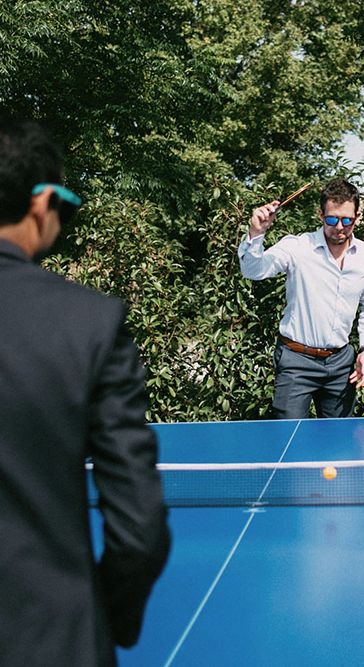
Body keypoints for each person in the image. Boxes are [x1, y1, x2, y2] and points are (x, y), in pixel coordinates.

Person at [0, 119, 170, 666]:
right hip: (51, 637)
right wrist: (102, 622)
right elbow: (138, 532)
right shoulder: (89, 324)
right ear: (42, 202)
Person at [239, 178, 364, 419]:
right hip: (296, 361)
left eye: (347, 220)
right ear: (320, 215)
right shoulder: (298, 247)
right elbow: (253, 271)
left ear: (358, 216)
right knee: (290, 444)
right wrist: (256, 233)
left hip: (341, 364)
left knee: (339, 444)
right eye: (331, 219)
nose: (339, 226)